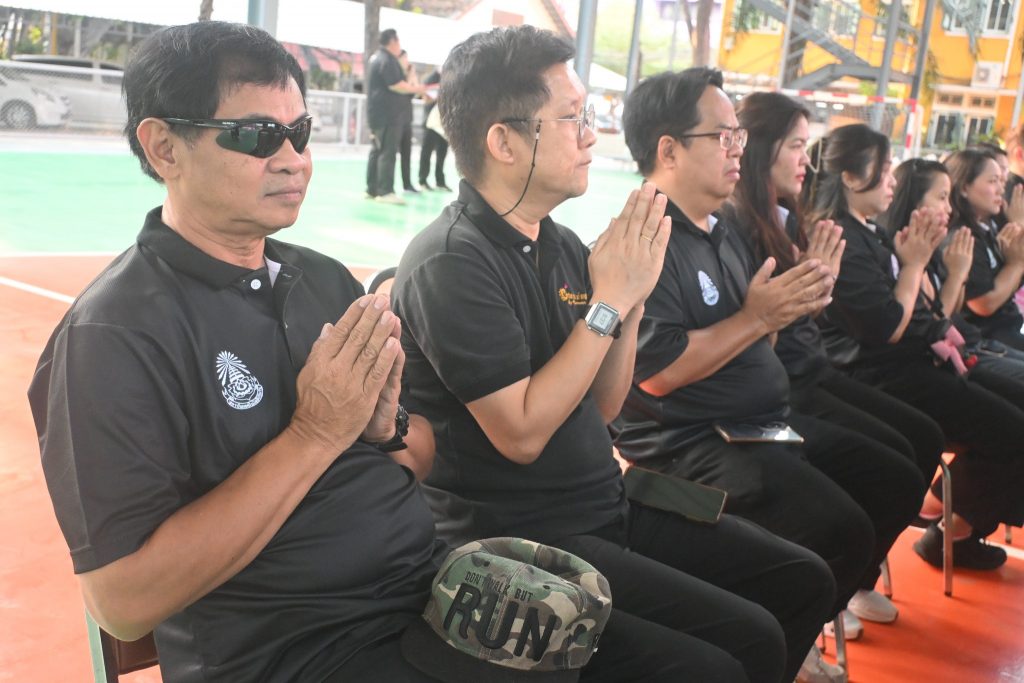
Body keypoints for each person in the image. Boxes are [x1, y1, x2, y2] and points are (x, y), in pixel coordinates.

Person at [394, 27, 836, 683]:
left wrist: (628, 303)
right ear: (504, 140)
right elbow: (520, 433)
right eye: (572, 118)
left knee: (801, 581)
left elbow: (602, 406)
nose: (590, 135)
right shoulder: (451, 262)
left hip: (605, 505)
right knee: (724, 657)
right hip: (523, 544)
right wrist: (610, 303)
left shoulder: (562, 244)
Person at [27, 21, 450, 682]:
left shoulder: (326, 280)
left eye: (300, 132)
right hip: (293, 655)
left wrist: (383, 428)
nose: (293, 158)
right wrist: (314, 433)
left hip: (426, 603)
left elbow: (413, 461)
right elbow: (123, 604)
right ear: (165, 147)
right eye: (256, 135)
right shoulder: (111, 337)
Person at [613, 69, 914, 668]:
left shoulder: (721, 230)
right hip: (688, 444)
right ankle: (783, 641)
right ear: (668, 149)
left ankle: (793, 631)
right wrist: (758, 317)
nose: (736, 150)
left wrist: (791, 306)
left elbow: (754, 335)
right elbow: (657, 373)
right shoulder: (645, 238)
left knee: (891, 474)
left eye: (738, 138)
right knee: (842, 531)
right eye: (722, 137)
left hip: (757, 422)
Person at [729, 91, 941, 632]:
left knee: (917, 441)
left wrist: (806, 299)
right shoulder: (738, 229)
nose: (806, 159)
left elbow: (788, 329)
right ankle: (825, 601)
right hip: (777, 394)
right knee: (887, 476)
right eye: (797, 145)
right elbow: (883, 330)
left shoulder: (785, 221)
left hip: (803, 374)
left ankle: (843, 588)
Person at [807, 124, 1024, 570]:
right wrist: (918, 267)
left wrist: (931, 270)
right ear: (849, 177)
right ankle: (934, 529)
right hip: (881, 372)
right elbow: (887, 326)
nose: (890, 179)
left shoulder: (874, 234)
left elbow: (928, 320)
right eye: (882, 169)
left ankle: (953, 525)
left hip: (914, 361)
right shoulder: (841, 237)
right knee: (999, 431)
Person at [945, 149, 1024, 350]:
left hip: (1007, 327)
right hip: (984, 337)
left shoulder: (987, 228)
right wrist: (1016, 264)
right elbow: (984, 304)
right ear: (964, 187)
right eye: (992, 181)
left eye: (1001, 181)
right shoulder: (962, 236)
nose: (1000, 189)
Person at [365, 29, 425, 205]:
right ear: (392, 41)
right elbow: (396, 85)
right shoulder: (387, 59)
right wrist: (417, 89)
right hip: (388, 116)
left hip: (380, 115)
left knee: (377, 150)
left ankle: (372, 188)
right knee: (387, 152)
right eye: (398, 41)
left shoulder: (377, 58)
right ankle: (385, 191)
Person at [418, 66, 451, 191]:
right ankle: (423, 180)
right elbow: (425, 96)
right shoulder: (432, 79)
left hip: (444, 124)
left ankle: (440, 181)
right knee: (426, 152)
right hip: (431, 123)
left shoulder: (450, 79)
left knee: (442, 153)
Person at [397, 50, 420, 194]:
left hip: (406, 119)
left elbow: (416, 90)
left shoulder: (406, 75)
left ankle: (407, 184)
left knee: (406, 154)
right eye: (404, 58)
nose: (406, 60)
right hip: (395, 120)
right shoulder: (395, 76)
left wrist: (412, 73)